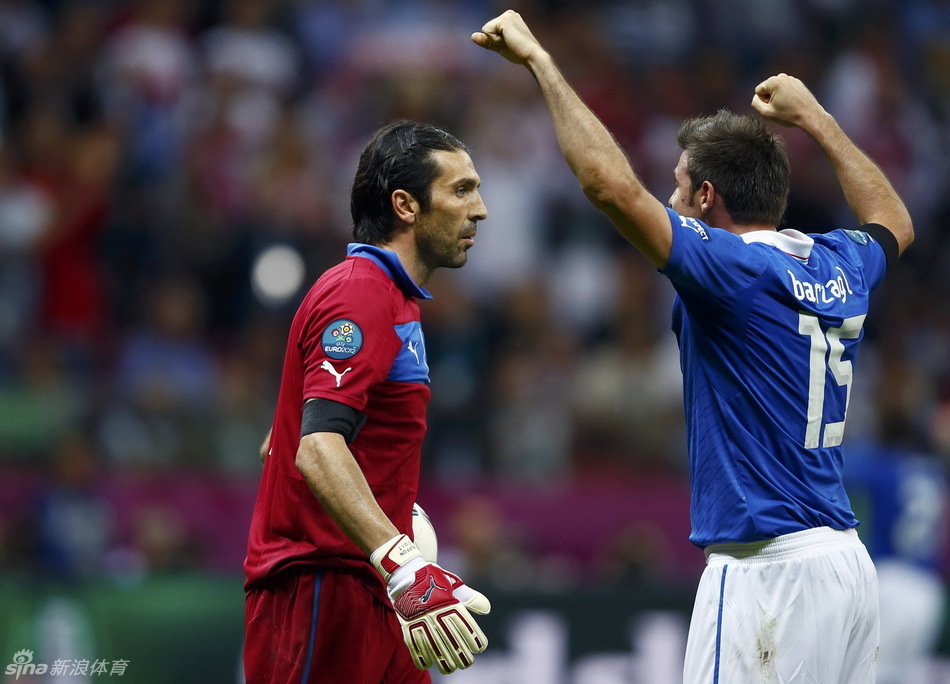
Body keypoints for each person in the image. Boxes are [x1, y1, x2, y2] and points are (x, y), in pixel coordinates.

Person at [473, 10, 914, 684]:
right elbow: (893, 220)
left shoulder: (733, 270)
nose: (670, 201)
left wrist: (541, 62)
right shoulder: (837, 263)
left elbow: (608, 186)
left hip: (767, 573)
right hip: (845, 567)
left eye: (678, 188)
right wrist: (818, 120)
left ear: (707, 197)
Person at [243, 120, 492, 683]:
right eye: (461, 190)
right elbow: (317, 447)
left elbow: (294, 437)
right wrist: (404, 564)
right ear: (405, 204)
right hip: (322, 588)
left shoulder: (392, 299)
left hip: (373, 584)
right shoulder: (360, 292)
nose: (479, 210)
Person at [844, 409, 949, 684]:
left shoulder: (880, 465)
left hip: (890, 580)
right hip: (928, 590)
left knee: (876, 674)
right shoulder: (934, 471)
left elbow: (838, 468)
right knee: (911, 673)